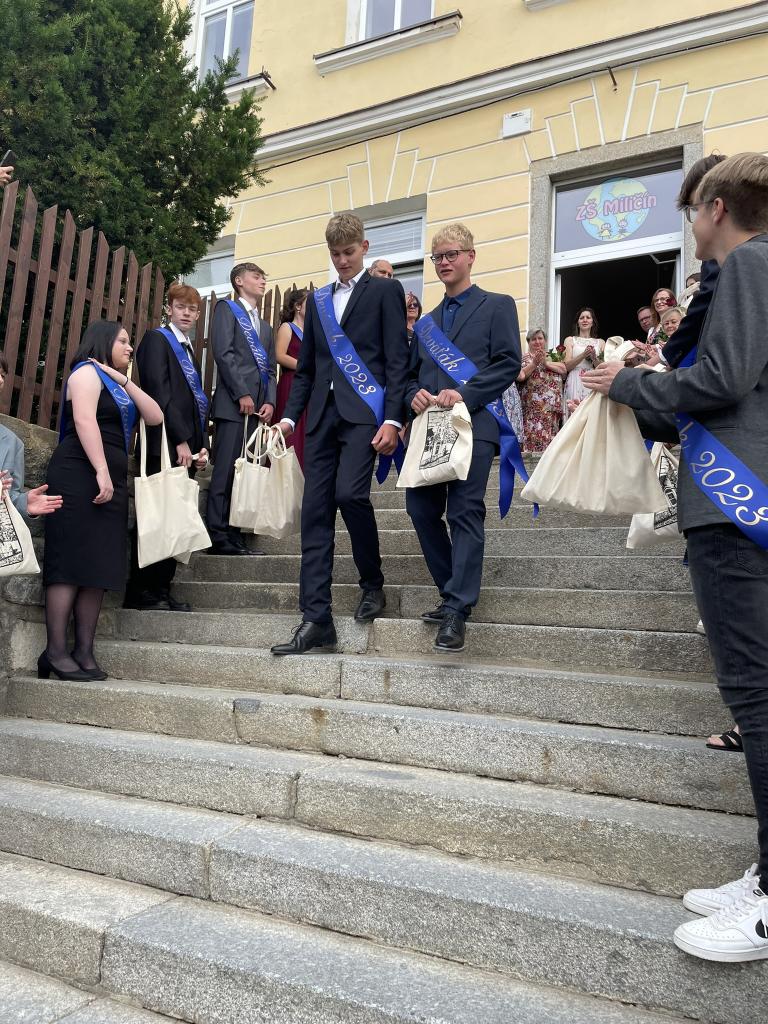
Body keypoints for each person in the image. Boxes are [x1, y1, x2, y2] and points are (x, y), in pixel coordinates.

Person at [583, 152, 768, 962]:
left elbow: (722, 381)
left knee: (756, 698)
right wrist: (647, 395)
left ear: (717, 208)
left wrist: (627, 386)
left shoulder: (751, 264)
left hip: (737, 506)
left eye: (693, 211)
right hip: (741, 496)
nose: (691, 226)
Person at [271, 212, 409, 655]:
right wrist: (289, 418)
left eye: (349, 252)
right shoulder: (318, 301)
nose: (343, 261)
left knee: (350, 495)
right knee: (314, 512)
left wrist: (393, 419)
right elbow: (308, 369)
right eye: (335, 254)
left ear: (364, 248)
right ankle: (316, 618)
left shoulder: (385, 291)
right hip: (321, 418)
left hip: (364, 415)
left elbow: (396, 360)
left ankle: (372, 583)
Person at [405, 222, 521, 653]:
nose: (444, 262)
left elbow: (508, 362)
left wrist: (467, 393)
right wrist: (411, 394)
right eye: (437, 257)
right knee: (419, 508)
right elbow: (410, 376)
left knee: (465, 511)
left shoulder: (498, 305)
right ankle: (451, 588)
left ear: (471, 256)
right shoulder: (426, 325)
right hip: (433, 427)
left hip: (476, 423)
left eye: (451, 254)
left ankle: (456, 608)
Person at [41, 322, 163, 681]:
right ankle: (55, 652)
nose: (130, 348)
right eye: (123, 341)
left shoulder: (113, 382)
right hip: (79, 472)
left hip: (109, 479)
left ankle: (84, 650)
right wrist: (101, 470)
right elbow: (83, 421)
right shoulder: (84, 373)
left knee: (97, 566)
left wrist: (122, 378)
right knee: (70, 561)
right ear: (103, 340)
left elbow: (155, 415)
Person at [123, 283, 209, 612]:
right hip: (164, 445)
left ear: (198, 315)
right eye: (181, 307)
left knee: (176, 520)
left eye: (192, 309)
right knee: (156, 517)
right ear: (169, 309)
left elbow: (196, 403)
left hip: (185, 447)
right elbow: (159, 393)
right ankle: (141, 590)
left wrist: (201, 446)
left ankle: (161, 588)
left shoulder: (188, 350)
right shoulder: (157, 340)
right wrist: (180, 439)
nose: (186, 313)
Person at [207, 262, 276, 556]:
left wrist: (270, 401)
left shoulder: (266, 327)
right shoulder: (227, 310)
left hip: (257, 411)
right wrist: (242, 393)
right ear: (239, 281)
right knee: (225, 471)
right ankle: (218, 533)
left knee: (244, 474)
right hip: (232, 406)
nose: (262, 281)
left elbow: (270, 369)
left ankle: (235, 533)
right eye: (256, 276)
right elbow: (223, 354)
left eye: (263, 277)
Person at [0, 352, 63, 519]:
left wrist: (24, 503)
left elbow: (11, 497)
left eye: (3, 375)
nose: (0, 380)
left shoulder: (12, 443)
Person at [274, 287, 308, 470]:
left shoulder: (310, 331)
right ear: (297, 306)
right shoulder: (287, 327)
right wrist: (305, 367)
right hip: (291, 383)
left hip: (308, 385)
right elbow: (280, 355)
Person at [516, 329, 566, 452]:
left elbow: (563, 369)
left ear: (545, 340)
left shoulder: (552, 357)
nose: (537, 341)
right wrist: (534, 363)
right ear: (528, 342)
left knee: (551, 445)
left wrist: (545, 363)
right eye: (533, 339)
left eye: (540, 338)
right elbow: (521, 376)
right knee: (533, 442)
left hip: (551, 411)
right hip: (533, 410)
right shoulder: (524, 358)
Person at [561, 307, 603, 418]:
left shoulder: (600, 342)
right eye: (582, 318)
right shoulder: (570, 340)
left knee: (592, 415)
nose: (585, 320)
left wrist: (594, 358)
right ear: (578, 323)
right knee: (574, 415)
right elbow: (567, 366)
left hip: (593, 380)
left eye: (588, 317)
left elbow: (602, 368)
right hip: (575, 379)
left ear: (592, 322)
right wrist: (583, 355)